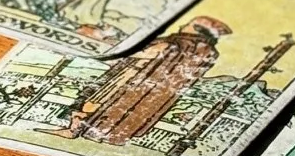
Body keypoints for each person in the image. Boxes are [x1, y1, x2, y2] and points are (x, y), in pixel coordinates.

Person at [65, 15, 231, 146]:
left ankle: (73, 130)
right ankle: (101, 135)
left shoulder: (178, 43)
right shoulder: (208, 53)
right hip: (153, 97)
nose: (182, 26)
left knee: (96, 102)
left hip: (130, 83)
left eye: (187, 24)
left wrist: (101, 39)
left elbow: (138, 53)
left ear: (196, 29)